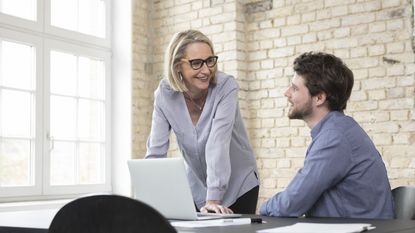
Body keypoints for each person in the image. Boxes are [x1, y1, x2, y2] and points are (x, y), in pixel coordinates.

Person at [260, 52, 395, 219]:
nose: (286, 93)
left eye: (295, 88)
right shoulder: (338, 130)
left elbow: (292, 203)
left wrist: (263, 208)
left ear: (319, 98)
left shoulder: (334, 137)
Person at [145, 29, 259, 214]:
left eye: (210, 61)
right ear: (177, 66)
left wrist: (213, 199)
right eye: (196, 63)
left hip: (239, 185)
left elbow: (217, 143)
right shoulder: (164, 95)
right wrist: (148, 199)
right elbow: (156, 152)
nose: (206, 70)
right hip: (198, 185)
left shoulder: (225, 87)